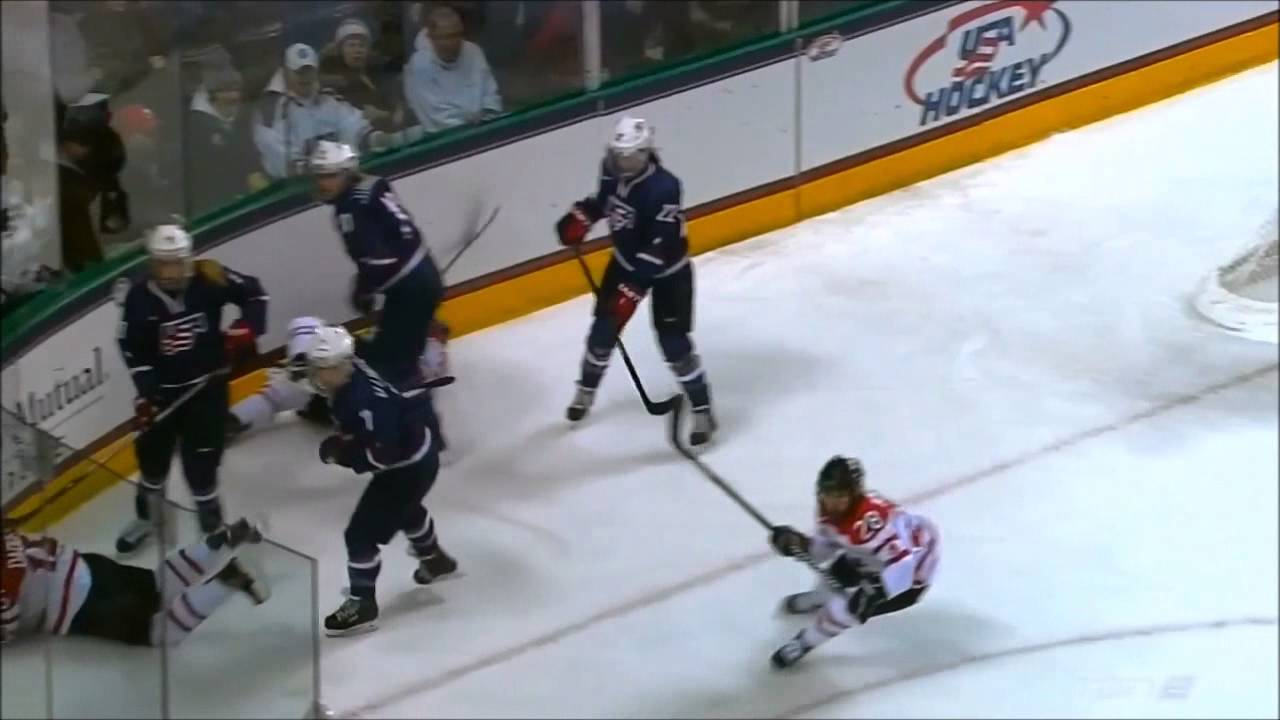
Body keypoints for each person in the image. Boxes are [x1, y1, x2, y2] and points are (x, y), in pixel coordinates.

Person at [555, 115, 717, 445]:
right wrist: (582, 216)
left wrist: (633, 289)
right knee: (603, 329)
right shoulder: (610, 167)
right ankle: (584, 393)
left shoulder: (665, 187)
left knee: (674, 345)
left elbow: (661, 244)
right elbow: (605, 202)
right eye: (618, 154)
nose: (622, 162)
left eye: (629, 156)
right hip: (626, 262)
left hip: (669, 272)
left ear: (645, 153)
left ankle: (702, 410)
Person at [115, 224, 269, 554]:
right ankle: (147, 519)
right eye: (163, 264)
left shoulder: (209, 277)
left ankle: (211, 529)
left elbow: (255, 293)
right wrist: (147, 392)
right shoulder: (139, 297)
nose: (171, 272)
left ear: (188, 259)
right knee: (152, 466)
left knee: (202, 467)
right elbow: (130, 346)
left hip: (207, 391)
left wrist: (246, 329)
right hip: (162, 396)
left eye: (177, 263)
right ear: (152, 263)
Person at [305, 326, 456, 636]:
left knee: (360, 535)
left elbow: (384, 454)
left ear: (339, 366)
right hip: (418, 456)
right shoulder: (353, 369)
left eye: (321, 370)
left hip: (406, 467)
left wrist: (343, 453)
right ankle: (434, 559)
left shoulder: (363, 402)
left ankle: (363, 604)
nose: (316, 376)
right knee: (405, 509)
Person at [767, 456, 941, 668]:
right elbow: (822, 550)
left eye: (839, 496)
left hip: (910, 577)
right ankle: (818, 598)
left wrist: (876, 591)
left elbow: (904, 565)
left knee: (845, 610)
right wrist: (798, 544)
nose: (831, 502)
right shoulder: (829, 509)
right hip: (871, 556)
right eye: (827, 494)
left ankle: (805, 642)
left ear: (855, 494)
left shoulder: (870, 522)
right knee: (832, 578)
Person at [1, 518, 267, 648]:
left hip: (82, 605)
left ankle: (228, 580)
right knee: (157, 586)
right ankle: (218, 542)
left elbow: (8, 625)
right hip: (87, 565)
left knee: (159, 632)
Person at [308, 139, 444, 390]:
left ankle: (407, 407)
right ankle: (428, 341)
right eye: (318, 176)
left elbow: (378, 260)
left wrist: (364, 288)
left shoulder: (350, 209)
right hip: (421, 276)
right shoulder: (374, 184)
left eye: (330, 176)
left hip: (411, 290)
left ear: (347, 172)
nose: (322, 183)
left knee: (392, 367)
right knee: (389, 349)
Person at [225, 315, 456, 461]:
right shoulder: (419, 348)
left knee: (286, 384)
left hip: (351, 401)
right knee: (290, 384)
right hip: (342, 395)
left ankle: (231, 422)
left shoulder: (423, 351)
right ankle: (234, 421)